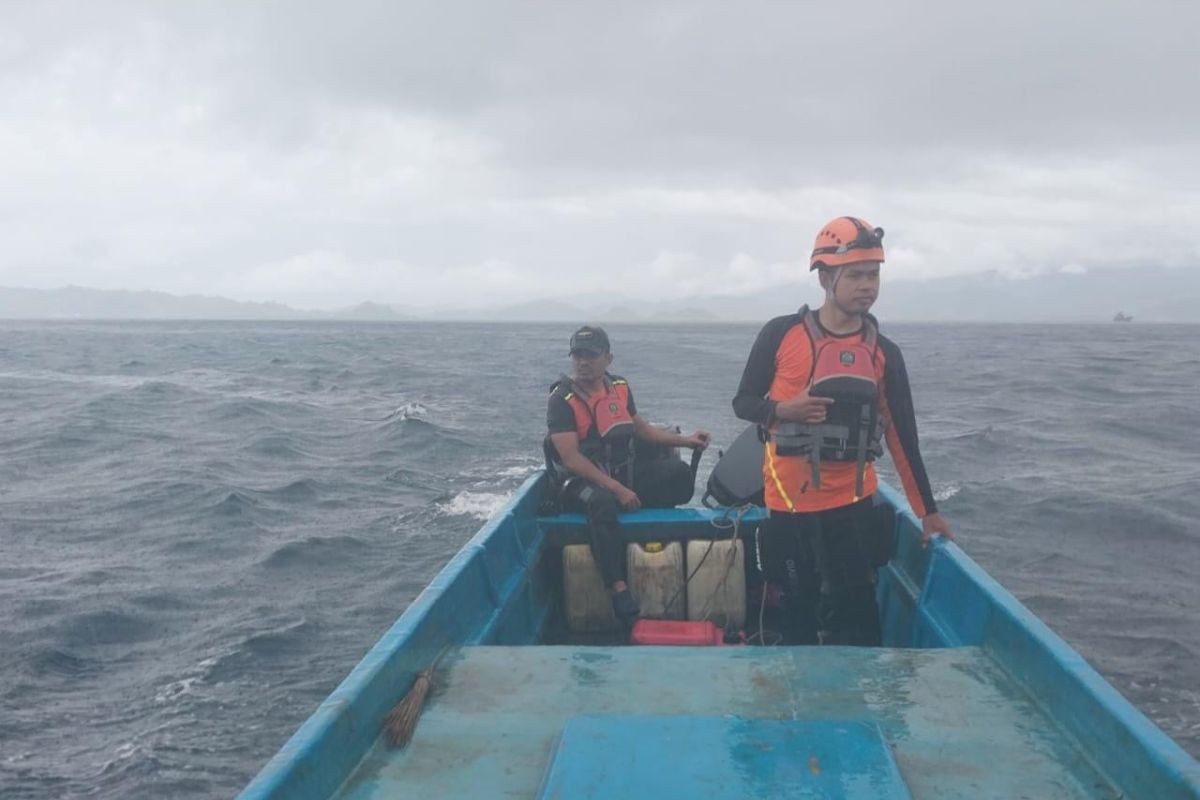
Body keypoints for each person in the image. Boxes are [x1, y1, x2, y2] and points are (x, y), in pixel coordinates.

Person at [732, 216, 952, 646]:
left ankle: (857, 707)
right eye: (855, 275)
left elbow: (902, 438)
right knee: (796, 605)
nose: (867, 285)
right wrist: (783, 409)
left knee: (859, 608)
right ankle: (798, 703)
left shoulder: (885, 354)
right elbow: (743, 403)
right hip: (789, 502)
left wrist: (928, 512)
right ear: (825, 278)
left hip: (852, 500)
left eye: (874, 275)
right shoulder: (781, 334)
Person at [546, 325, 711, 629]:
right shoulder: (562, 399)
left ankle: (656, 536)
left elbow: (641, 430)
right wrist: (617, 488)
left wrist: (687, 440)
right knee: (602, 502)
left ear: (607, 358)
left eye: (591, 355)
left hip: (621, 473)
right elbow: (570, 458)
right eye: (577, 355)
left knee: (678, 476)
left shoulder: (619, 386)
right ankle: (618, 589)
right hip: (578, 483)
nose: (583, 362)